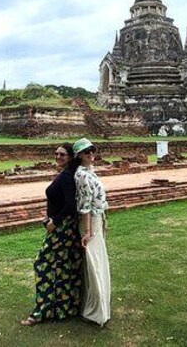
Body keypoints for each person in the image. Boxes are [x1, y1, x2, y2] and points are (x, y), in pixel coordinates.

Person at [21, 143, 83, 326]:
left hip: (62, 229)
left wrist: (54, 222)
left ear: (71, 157)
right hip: (66, 228)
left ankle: (41, 312)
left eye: (62, 154)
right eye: (56, 154)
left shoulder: (66, 177)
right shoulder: (69, 175)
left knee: (43, 265)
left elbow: (71, 205)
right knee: (64, 268)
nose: (58, 157)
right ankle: (66, 308)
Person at [73, 137, 111, 327]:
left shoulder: (90, 172)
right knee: (93, 264)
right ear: (79, 155)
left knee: (97, 262)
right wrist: (87, 231)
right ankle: (95, 310)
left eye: (92, 150)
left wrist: (102, 222)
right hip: (89, 224)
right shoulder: (82, 175)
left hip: (96, 221)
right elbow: (85, 206)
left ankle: (99, 307)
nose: (91, 154)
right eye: (87, 152)